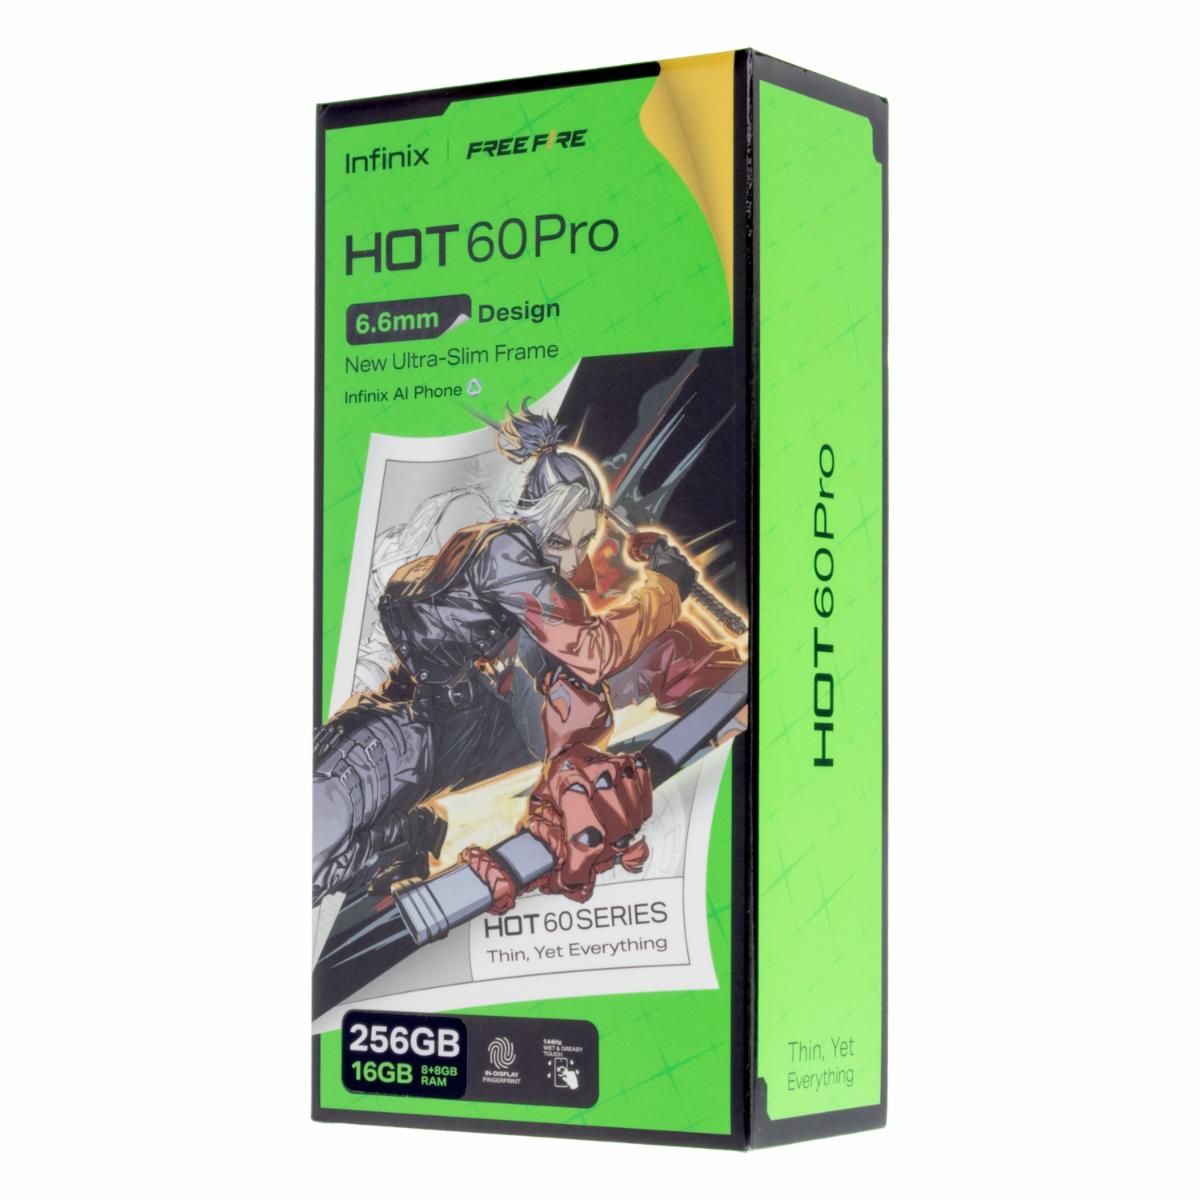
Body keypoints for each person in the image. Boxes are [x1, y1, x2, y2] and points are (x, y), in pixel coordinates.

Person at [313, 404, 705, 901]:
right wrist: (664, 587)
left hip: (443, 736)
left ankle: (420, 836)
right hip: (390, 744)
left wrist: (646, 566)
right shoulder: (503, 551)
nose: (572, 558)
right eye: (562, 540)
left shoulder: (511, 557)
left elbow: (572, 627)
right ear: (537, 518)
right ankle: (417, 836)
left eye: (585, 541)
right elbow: (592, 650)